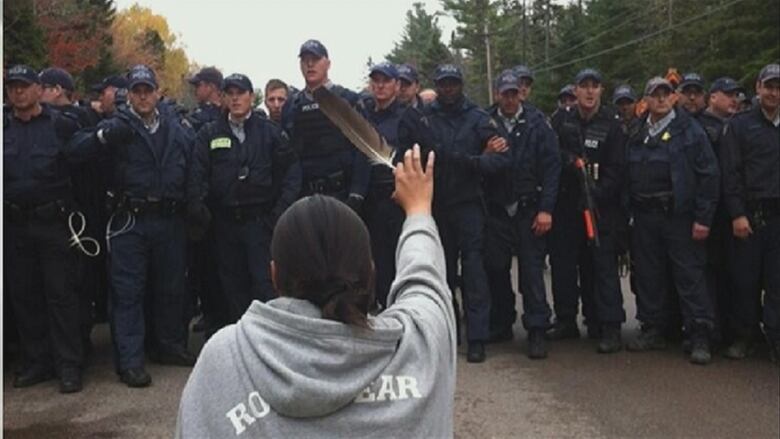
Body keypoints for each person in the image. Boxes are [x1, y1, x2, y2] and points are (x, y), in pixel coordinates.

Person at [177, 146, 456, 438]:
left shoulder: (224, 358)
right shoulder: (421, 346)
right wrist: (419, 210)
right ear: (371, 272)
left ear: (274, 276)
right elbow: (424, 275)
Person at [73, 65, 197, 387]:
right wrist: (102, 137)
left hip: (169, 219)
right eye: (137, 91)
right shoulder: (117, 126)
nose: (143, 96)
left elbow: (194, 164)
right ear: (129, 95)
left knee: (170, 287)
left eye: (148, 90)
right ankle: (130, 361)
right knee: (128, 293)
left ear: (157, 93)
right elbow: (74, 152)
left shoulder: (175, 127)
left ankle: (168, 346)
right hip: (130, 222)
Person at [4, 65, 95, 393]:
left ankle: (68, 364)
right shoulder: (3, 126)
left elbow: (85, 166)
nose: (17, 92)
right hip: (15, 225)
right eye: (12, 86)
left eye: (24, 86)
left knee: (61, 296)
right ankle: (37, 362)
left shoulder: (61, 125)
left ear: (38, 89)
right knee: (24, 297)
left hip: (54, 224)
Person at [188, 72, 301, 322]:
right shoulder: (209, 133)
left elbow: (292, 174)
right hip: (225, 224)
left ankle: (271, 344)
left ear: (251, 96)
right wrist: (203, 213)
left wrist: (279, 213)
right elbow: (196, 176)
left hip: (261, 223)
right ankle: (242, 346)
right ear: (224, 98)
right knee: (232, 289)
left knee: (265, 286)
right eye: (230, 94)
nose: (236, 99)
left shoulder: (269, 133)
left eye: (241, 93)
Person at [625, 77, 719, 365]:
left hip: (679, 216)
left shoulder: (690, 130)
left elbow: (709, 175)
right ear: (647, 100)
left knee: (689, 276)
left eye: (666, 94)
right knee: (649, 275)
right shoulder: (637, 130)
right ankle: (654, 328)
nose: (661, 99)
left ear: (674, 98)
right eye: (656, 94)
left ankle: (699, 334)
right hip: (644, 215)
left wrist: (703, 218)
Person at [423, 64, 509, 362]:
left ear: (460, 85)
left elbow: (499, 161)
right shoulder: (426, 118)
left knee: (474, 273)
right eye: (443, 84)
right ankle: (448, 332)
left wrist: (472, 163)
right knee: (442, 274)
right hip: (438, 206)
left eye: (453, 83)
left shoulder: (478, 119)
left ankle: (477, 337)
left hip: (469, 205)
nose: (448, 89)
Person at [548, 68, 626, 353]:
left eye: (595, 86)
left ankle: (608, 325)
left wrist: (598, 192)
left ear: (601, 91)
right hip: (567, 206)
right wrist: (570, 161)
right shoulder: (561, 121)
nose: (590, 91)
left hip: (599, 207)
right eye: (584, 86)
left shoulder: (612, 125)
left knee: (602, 268)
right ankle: (566, 319)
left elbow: (618, 168)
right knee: (564, 265)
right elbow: (551, 154)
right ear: (576, 91)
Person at [484, 71, 560, 358]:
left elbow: (552, 169)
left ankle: (537, 329)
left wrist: (546, 210)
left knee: (531, 271)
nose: (510, 98)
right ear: (497, 94)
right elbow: (473, 161)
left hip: (529, 208)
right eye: (505, 93)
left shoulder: (539, 123)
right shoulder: (484, 123)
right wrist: (485, 150)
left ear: (521, 94)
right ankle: (502, 323)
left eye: (514, 93)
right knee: (495, 267)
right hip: (496, 209)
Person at [362, 62, 437, 307]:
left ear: (396, 85)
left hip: (400, 200)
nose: (380, 85)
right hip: (370, 201)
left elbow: (427, 154)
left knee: (403, 263)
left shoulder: (409, 117)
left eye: (385, 81)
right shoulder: (364, 115)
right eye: (376, 81)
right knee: (377, 266)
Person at [720, 63, 780, 363]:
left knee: (777, 282)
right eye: (769, 86)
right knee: (745, 281)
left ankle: (776, 338)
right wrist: (737, 214)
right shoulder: (741, 124)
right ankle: (744, 336)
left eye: (778, 87)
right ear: (758, 88)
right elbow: (730, 173)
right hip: (751, 216)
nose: (773, 92)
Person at [281, 39, 369, 207]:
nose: (310, 64)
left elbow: (363, 151)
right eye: (305, 60)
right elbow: (287, 156)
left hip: (341, 194)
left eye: (315, 59)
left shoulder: (348, 100)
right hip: (304, 198)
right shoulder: (292, 107)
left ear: (328, 63)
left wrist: (357, 192)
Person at [696, 76, 744, 345]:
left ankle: (735, 329)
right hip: (708, 212)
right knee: (708, 273)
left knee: (737, 274)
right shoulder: (697, 127)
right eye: (728, 94)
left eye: (736, 94)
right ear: (713, 97)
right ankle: (710, 330)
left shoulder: (740, 125)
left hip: (735, 211)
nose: (734, 99)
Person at [186, 66, 223, 133]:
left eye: (198, 85)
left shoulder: (227, 114)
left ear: (211, 86)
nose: (195, 90)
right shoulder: (199, 112)